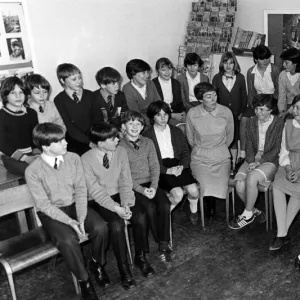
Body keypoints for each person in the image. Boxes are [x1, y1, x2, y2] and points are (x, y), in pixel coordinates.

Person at [25, 123, 108, 300]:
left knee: (100, 227)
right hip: (51, 212)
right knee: (68, 240)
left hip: (75, 205)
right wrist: (70, 222)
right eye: (60, 141)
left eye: (64, 139)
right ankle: (84, 280)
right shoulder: (32, 171)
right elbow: (44, 205)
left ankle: (97, 263)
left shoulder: (73, 158)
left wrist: (81, 216)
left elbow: (80, 189)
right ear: (46, 146)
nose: (66, 143)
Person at [81, 123, 147, 289]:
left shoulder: (120, 152)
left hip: (120, 194)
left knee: (139, 215)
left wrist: (125, 204)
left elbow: (126, 180)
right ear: (101, 143)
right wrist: (116, 208)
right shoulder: (85, 160)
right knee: (116, 225)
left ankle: (140, 257)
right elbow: (95, 191)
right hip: (98, 200)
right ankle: (123, 269)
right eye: (113, 138)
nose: (118, 139)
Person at [119, 110, 173, 264]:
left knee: (164, 203)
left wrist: (154, 187)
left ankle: (163, 244)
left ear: (143, 127)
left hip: (151, 183)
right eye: (131, 123)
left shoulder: (148, 142)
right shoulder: (119, 147)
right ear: (124, 126)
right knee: (148, 208)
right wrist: (142, 190)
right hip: (132, 187)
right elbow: (124, 176)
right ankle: (151, 247)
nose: (135, 127)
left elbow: (155, 167)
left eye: (139, 123)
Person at [229, 94, 284, 230]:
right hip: (253, 158)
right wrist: (251, 160)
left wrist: (259, 163)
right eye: (256, 109)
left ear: (271, 110)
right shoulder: (251, 122)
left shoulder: (279, 123)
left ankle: (247, 214)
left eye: (262, 109)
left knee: (252, 177)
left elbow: (277, 149)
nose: (258, 113)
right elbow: (248, 145)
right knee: (240, 183)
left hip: (271, 160)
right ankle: (253, 211)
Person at [144, 101, 199, 225]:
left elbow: (186, 152)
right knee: (178, 194)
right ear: (152, 117)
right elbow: (148, 161)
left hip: (177, 165)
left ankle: (193, 209)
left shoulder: (176, 131)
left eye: (165, 114)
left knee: (194, 191)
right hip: (160, 169)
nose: (163, 118)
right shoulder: (147, 136)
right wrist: (166, 170)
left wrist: (182, 166)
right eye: (158, 115)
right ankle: (162, 217)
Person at [186, 82, 234, 218]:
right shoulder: (192, 113)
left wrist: (219, 148)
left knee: (222, 184)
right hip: (200, 157)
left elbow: (230, 136)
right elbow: (190, 138)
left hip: (221, 156)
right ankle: (205, 208)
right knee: (204, 184)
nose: (214, 99)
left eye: (214, 95)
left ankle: (217, 209)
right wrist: (202, 149)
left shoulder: (226, 112)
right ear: (200, 99)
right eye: (208, 96)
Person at [238, 45, 280, 169]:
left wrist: (271, 105)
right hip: (257, 100)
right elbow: (251, 91)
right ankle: (243, 154)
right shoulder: (251, 71)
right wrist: (254, 107)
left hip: (272, 100)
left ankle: (268, 153)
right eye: (262, 59)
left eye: (267, 58)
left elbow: (278, 91)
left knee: (271, 120)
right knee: (245, 120)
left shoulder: (275, 69)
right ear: (256, 59)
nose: (266, 61)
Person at [269, 95, 300, 251]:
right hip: (289, 162)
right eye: (295, 107)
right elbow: (283, 151)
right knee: (278, 186)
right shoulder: (287, 124)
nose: (295, 110)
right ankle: (283, 232)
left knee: (297, 191)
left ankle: (281, 234)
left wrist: (298, 172)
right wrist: (288, 169)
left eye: (299, 108)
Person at [54, 63, 104, 156]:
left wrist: (96, 140)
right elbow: (69, 127)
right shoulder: (59, 99)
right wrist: (89, 142)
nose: (79, 82)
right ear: (62, 80)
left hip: (94, 136)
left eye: (80, 78)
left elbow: (98, 120)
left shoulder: (90, 95)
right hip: (74, 140)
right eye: (74, 79)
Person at [212, 52, 247, 170]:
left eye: (231, 63)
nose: (228, 65)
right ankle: (224, 163)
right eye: (225, 62)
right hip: (221, 116)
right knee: (223, 139)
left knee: (234, 139)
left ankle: (233, 164)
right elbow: (213, 97)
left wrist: (241, 112)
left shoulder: (241, 77)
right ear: (222, 64)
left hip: (236, 115)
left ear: (235, 64)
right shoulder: (216, 78)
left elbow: (244, 96)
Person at [0, 76, 39, 176]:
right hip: (11, 157)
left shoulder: (31, 113)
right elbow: (3, 145)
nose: (18, 96)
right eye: (13, 93)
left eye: (21, 92)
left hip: (32, 153)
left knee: (55, 165)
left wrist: (37, 154)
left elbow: (35, 137)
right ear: (5, 95)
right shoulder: (1, 116)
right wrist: (25, 158)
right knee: (33, 172)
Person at [122, 59, 161, 128]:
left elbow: (158, 104)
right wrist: (155, 123)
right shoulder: (127, 89)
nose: (147, 75)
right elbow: (136, 114)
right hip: (141, 124)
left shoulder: (150, 83)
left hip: (157, 119)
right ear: (133, 74)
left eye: (147, 72)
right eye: (143, 73)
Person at [152, 57, 186, 126]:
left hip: (176, 113)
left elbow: (180, 102)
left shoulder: (176, 83)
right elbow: (153, 107)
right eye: (163, 70)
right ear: (157, 71)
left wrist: (183, 113)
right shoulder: (152, 84)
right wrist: (172, 115)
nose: (167, 72)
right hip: (160, 116)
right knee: (182, 129)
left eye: (169, 69)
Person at [277, 48, 300, 120]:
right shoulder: (283, 75)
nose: (283, 65)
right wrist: (282, 111)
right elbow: (282, 96)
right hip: (288, 105)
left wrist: (288, 112)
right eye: (283, 62)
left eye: (286, 63)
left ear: (295, 63)